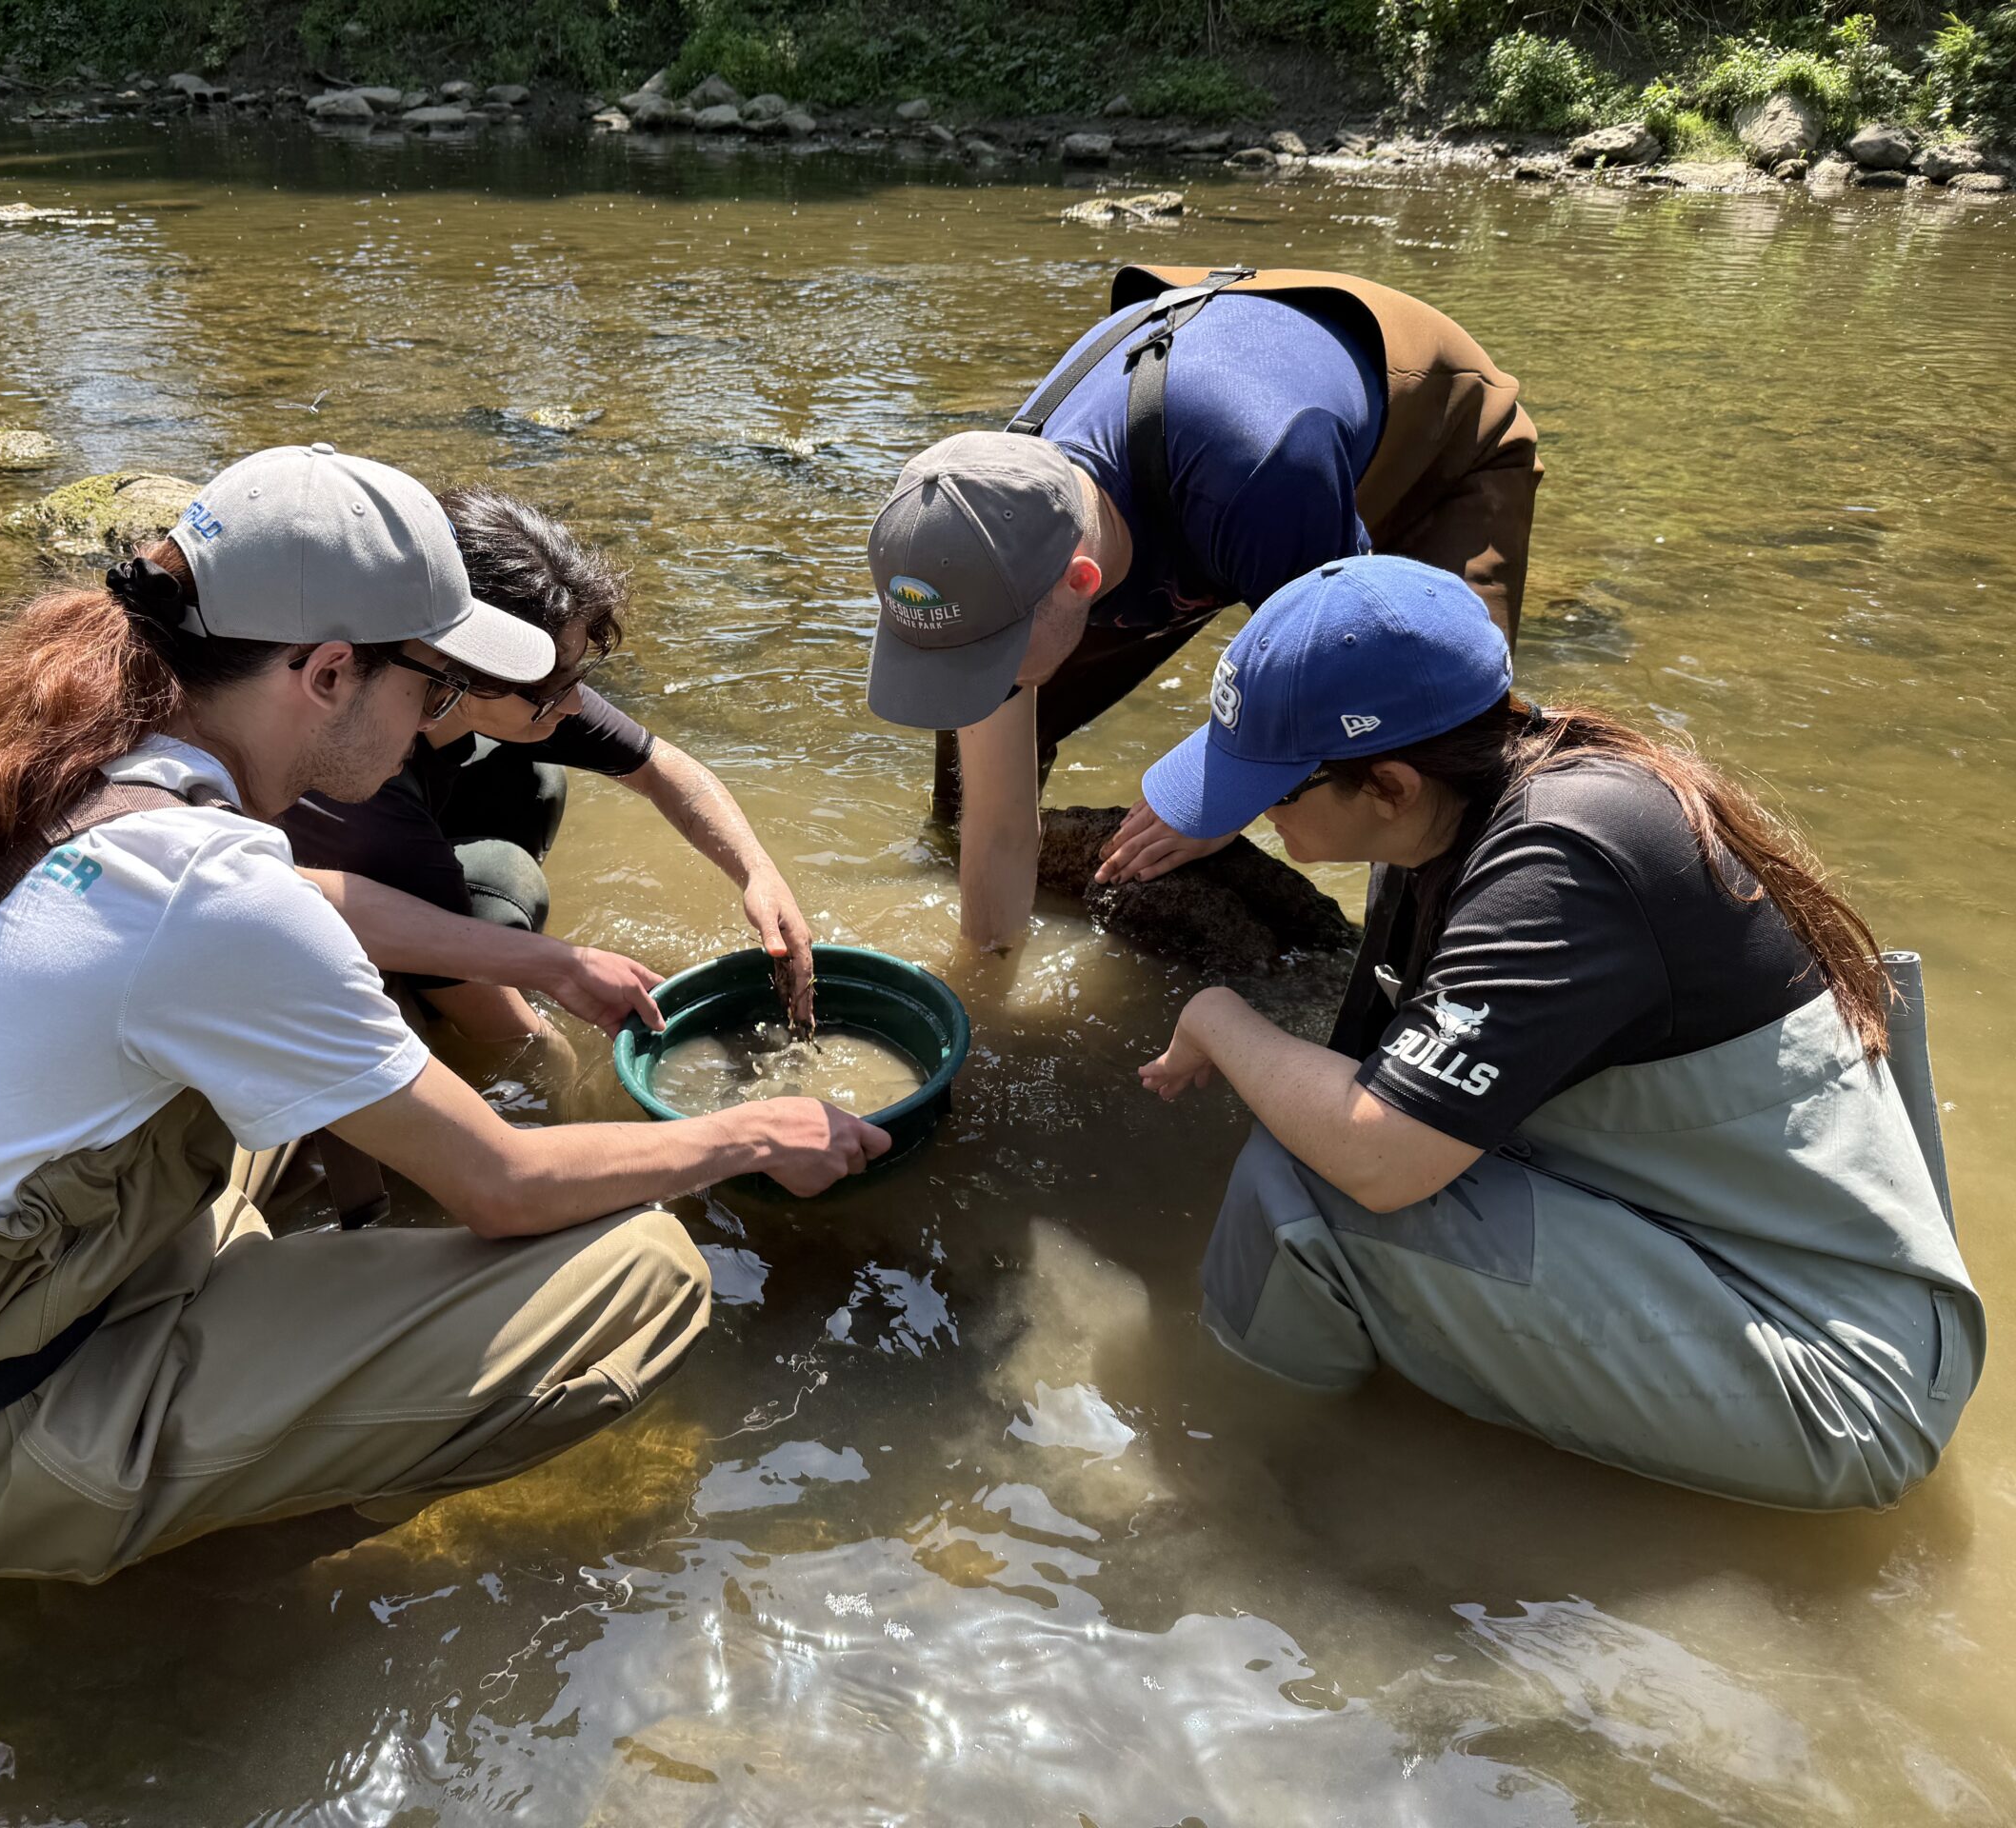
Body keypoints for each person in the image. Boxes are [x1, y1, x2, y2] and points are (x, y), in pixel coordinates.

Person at [0, 444, 888, 1582]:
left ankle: (263, 1348)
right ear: (330, 673)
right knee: (645, 1273)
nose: (441, 720)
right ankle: (206, 1567)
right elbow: (505, 1187)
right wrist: (748, 1133)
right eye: (433, 690)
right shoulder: (207, 893)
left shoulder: (64, 752)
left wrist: (538, 962)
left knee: (344, 1044)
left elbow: (291, 916)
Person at [1134, 553, 1982, 1510]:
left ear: (1390, 785)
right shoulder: (1472, 812)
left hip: (1840, 1384)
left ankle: (1228, 1496)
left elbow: (1372, 1160)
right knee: (1324, 1124)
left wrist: (1218, 1019)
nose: (1248, 811)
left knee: (1303, 1191)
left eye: (1273, 789)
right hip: (1742, 1259)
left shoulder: (1559, 866)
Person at [863, 263, 1542, 964]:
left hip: (1432, 443)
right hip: (1205, 460)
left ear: (1081, 581)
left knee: (1419, 754)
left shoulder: (1264, 483)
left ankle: (1416, 989)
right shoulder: (985, 525)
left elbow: (1348, 676)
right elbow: (999, 824)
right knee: (969, 776)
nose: (987, 674)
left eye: (995, 648)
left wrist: (1221, 804)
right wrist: (983, 991)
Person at [283, 487, 817, 1054]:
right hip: (345, 882)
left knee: (534, 778)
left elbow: (660, 767)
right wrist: (566, 1078)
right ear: (460, 663)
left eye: (573, 676)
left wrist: (759, 873)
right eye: (548, 689)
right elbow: (503, 1025)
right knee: (508, 880)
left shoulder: (507, 686)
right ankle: (425, 979)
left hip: (394, 839)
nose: (572, 706)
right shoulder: (360, 780)